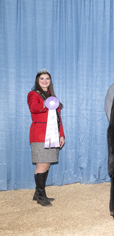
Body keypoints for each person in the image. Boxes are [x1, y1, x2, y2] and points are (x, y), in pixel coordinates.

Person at [27, 69, 65, 206]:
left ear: (50, 81)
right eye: (42, 78)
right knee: (42, 163)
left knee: (47, 163)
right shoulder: (33, 94)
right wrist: (45, 104)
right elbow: (34, 108)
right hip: (40, 134)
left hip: (53, 134)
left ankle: (38, 193)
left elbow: (57, 118)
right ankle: (41, 195)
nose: (44, 81)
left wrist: (62, 135)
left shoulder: (52, 96)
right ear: (37, 81)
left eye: (47, 78)